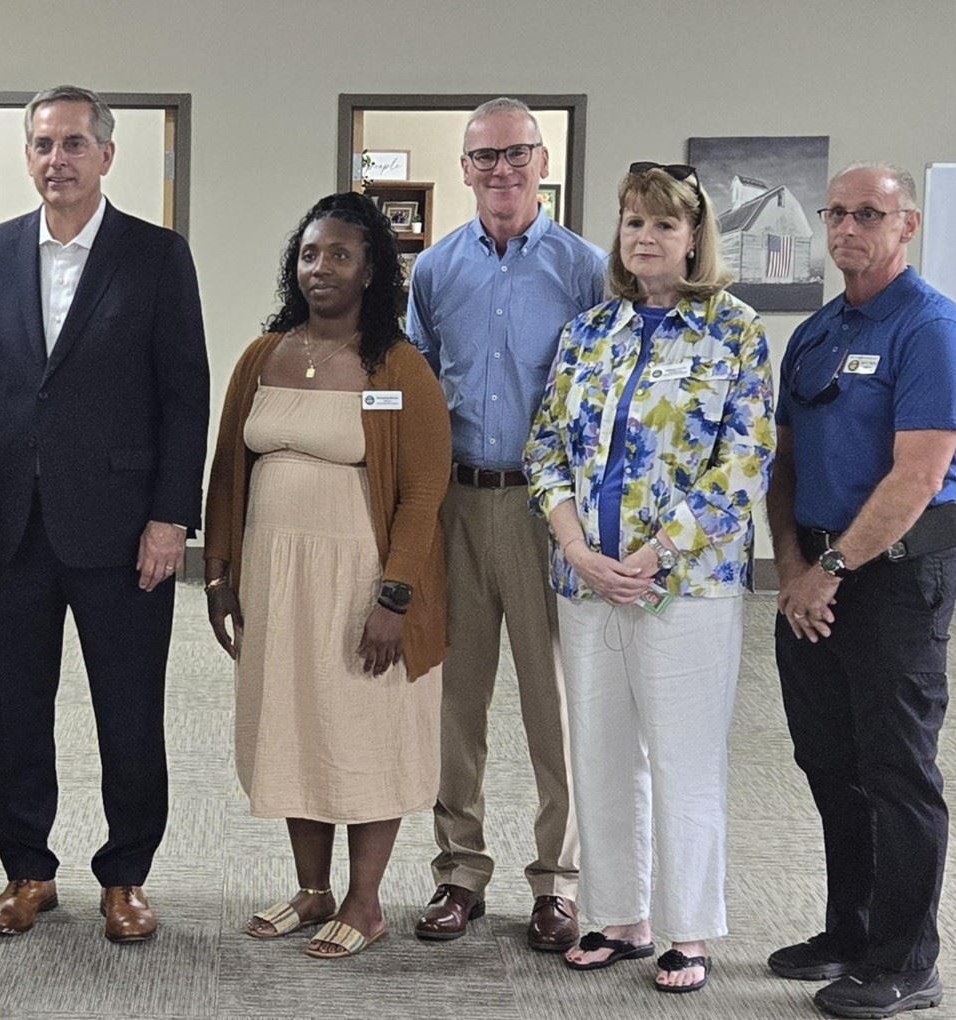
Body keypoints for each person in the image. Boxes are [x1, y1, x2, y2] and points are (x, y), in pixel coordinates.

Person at [0, 84, 210, 943]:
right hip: (16, 526)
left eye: (72, 144)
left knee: (129, 710)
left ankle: (126, 874)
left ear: (106, 155)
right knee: (18, 708)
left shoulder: (156, 255)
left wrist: (172, 517)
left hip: (125, 529)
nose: (55, 160)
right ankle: (27, 869)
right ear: (26, 157)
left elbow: (185, 397)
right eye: (40, 145)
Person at [525, 162, 773, 993]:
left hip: (685, 585)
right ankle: (616, 914)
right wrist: (576, 547)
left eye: (664, 225)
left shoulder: (733, 330)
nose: (646, 238)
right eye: (633, 223)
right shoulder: (590, 331)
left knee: (681, 756)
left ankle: (687, 929)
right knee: (597, 752)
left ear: (695, 236)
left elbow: (744, 460)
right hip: (586, 580)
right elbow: (547, 447)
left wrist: (657, 553)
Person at [203, 193, 451, 958]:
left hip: (361, 582)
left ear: (373, 270)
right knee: (294, 726)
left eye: (341, 255)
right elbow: (226, 472)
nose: (322, 268)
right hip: (277, 581)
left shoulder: (397, 367)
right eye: (311, 253)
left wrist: (395, 598)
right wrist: (218, 574)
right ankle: (311, 890)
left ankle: (365, 901)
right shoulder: (263, 355)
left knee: (365, 734)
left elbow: (424, 489)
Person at [766, 163, 956, 1019]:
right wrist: (790, 568)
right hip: (812, 577)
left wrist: (831, 570)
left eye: (870, 213)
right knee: (830, 765)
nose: (849, 227)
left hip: (893, 581)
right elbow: (782, 465)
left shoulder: (931, 330)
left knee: (898, 770)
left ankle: (906, 960)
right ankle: (849, 933)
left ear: (908, 224)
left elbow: (917, 476)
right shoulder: (816, 334)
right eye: (838, 213)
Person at [405, 96, 605, 948]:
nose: (501, 171)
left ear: (542, 163)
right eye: (484, 157)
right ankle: (460, 872)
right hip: (457, 500)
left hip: (544, 509)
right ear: (464, 169)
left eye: (516, 154)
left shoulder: (586, 268)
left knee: (551, 701)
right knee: (457, 699)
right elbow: (413, 388)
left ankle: (557, 882)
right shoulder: (435, 271)